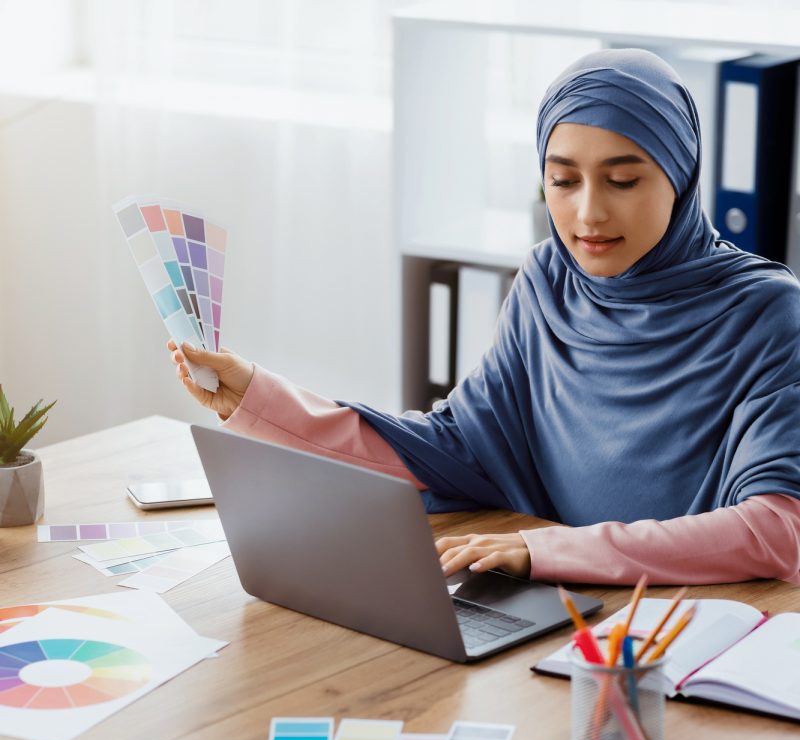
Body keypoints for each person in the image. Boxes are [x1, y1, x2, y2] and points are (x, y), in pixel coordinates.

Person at [169, 48, 800, 586]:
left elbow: (780, 527)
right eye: (562, 180)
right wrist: (258, 400)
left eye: (624, 181)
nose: (588, 215)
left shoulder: (768, 314)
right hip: (558, 605)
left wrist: (548, 551)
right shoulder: (547, 284)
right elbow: (456, 452)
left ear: (681, 175)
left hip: (686, 628)